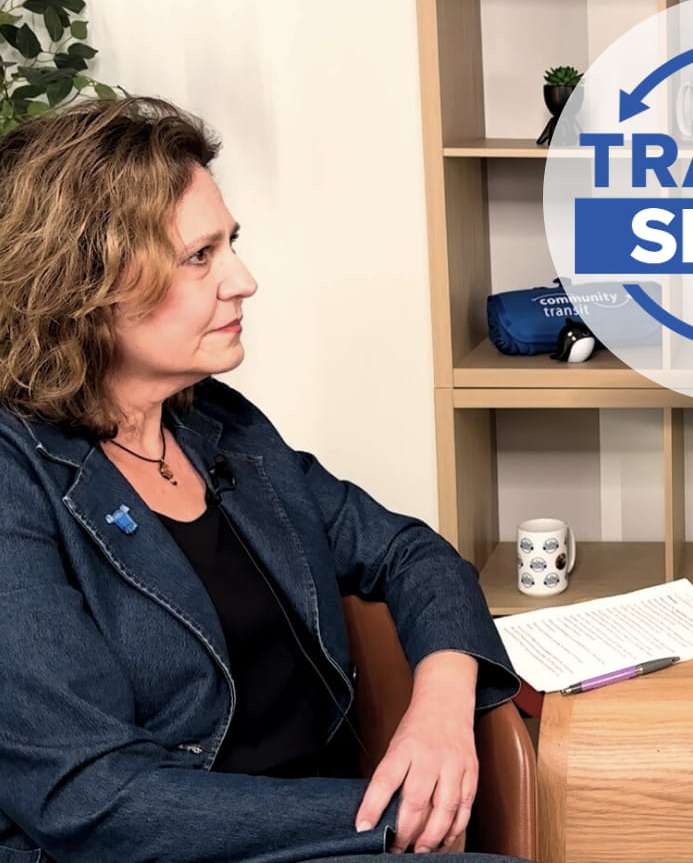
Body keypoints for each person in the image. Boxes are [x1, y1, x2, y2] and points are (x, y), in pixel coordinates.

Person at [0, 97, 529, 863]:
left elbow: (409, 553)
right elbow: (91, 797)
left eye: (232, 245)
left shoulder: (218, 424)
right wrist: (387, 816)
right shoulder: (18, 474)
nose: (243, 280)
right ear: (85, 283)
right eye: (199, 256)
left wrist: (442, 707)